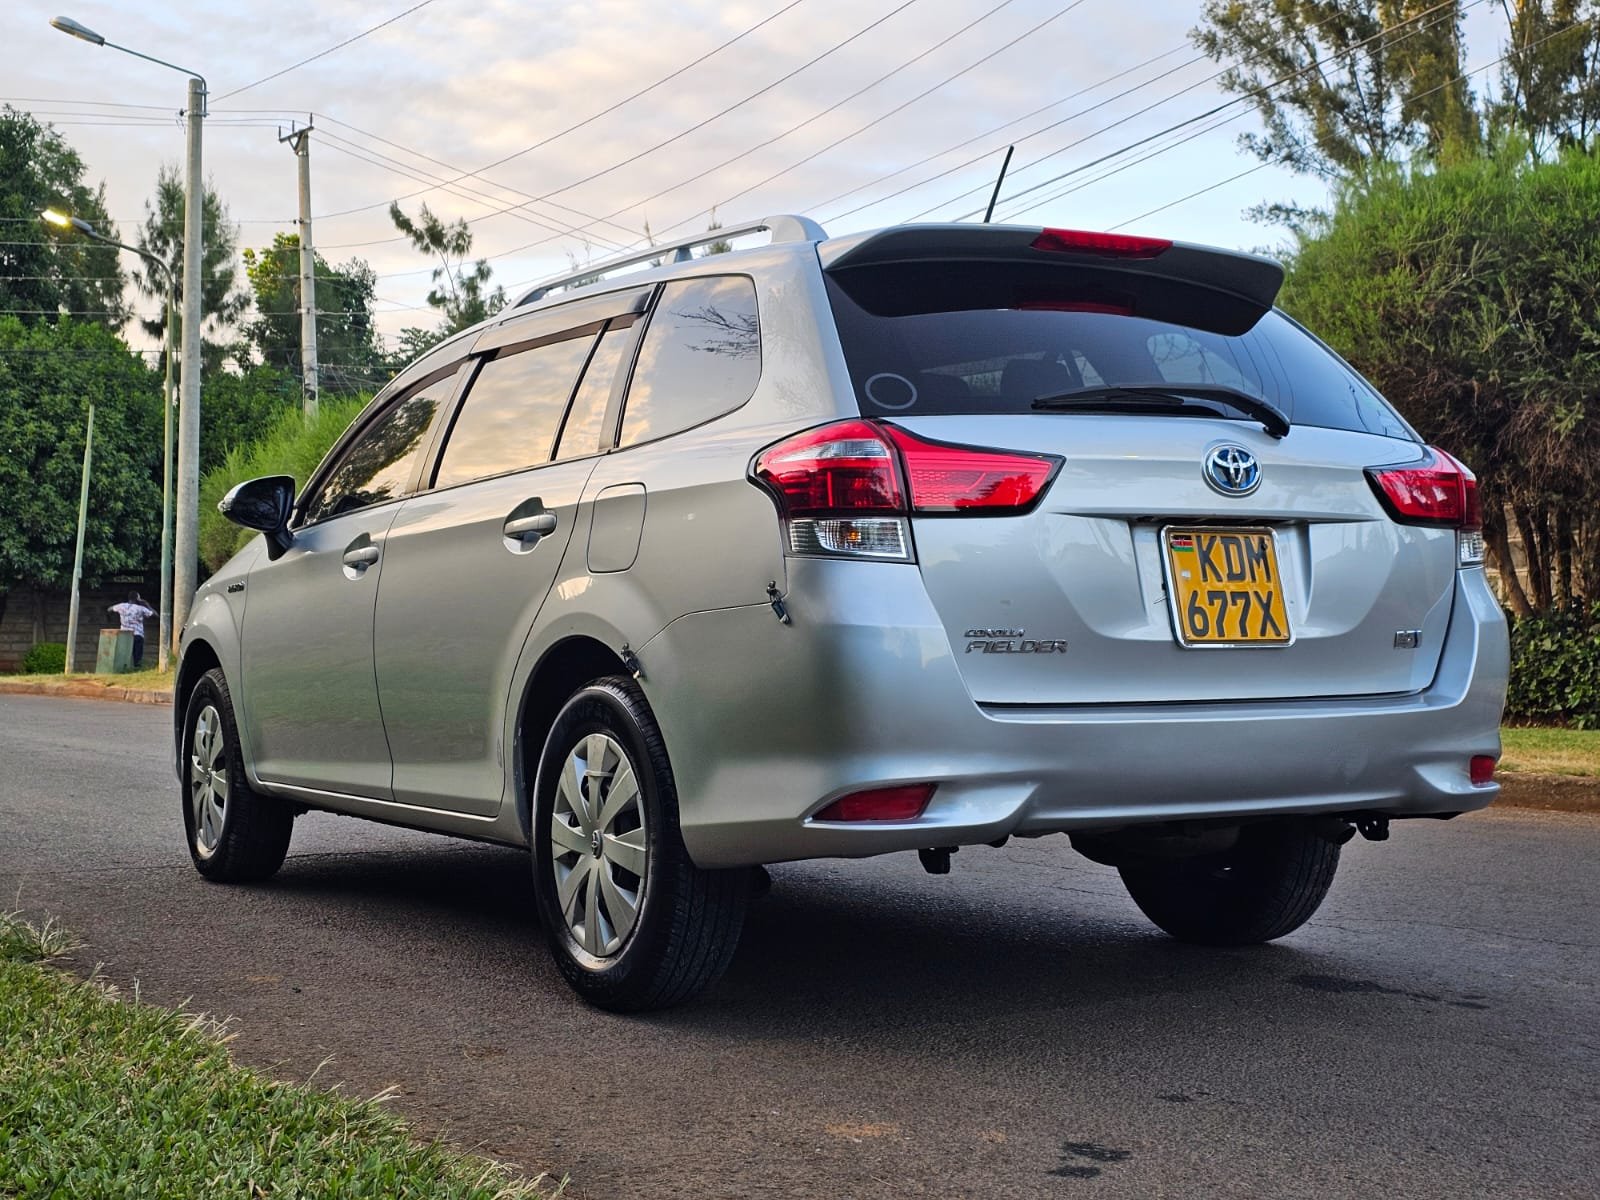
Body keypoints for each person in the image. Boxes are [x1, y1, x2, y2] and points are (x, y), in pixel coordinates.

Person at [108, 590, 156, 669]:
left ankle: (123, 669)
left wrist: (109, 618)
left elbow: (109, 609)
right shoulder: (141, 608)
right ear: (137, 598)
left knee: (124, 655)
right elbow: (155, 615)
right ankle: (137, 668)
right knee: (137, 657)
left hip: (124, 635)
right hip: (137, 634)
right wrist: (147, 604)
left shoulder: (121, 606)